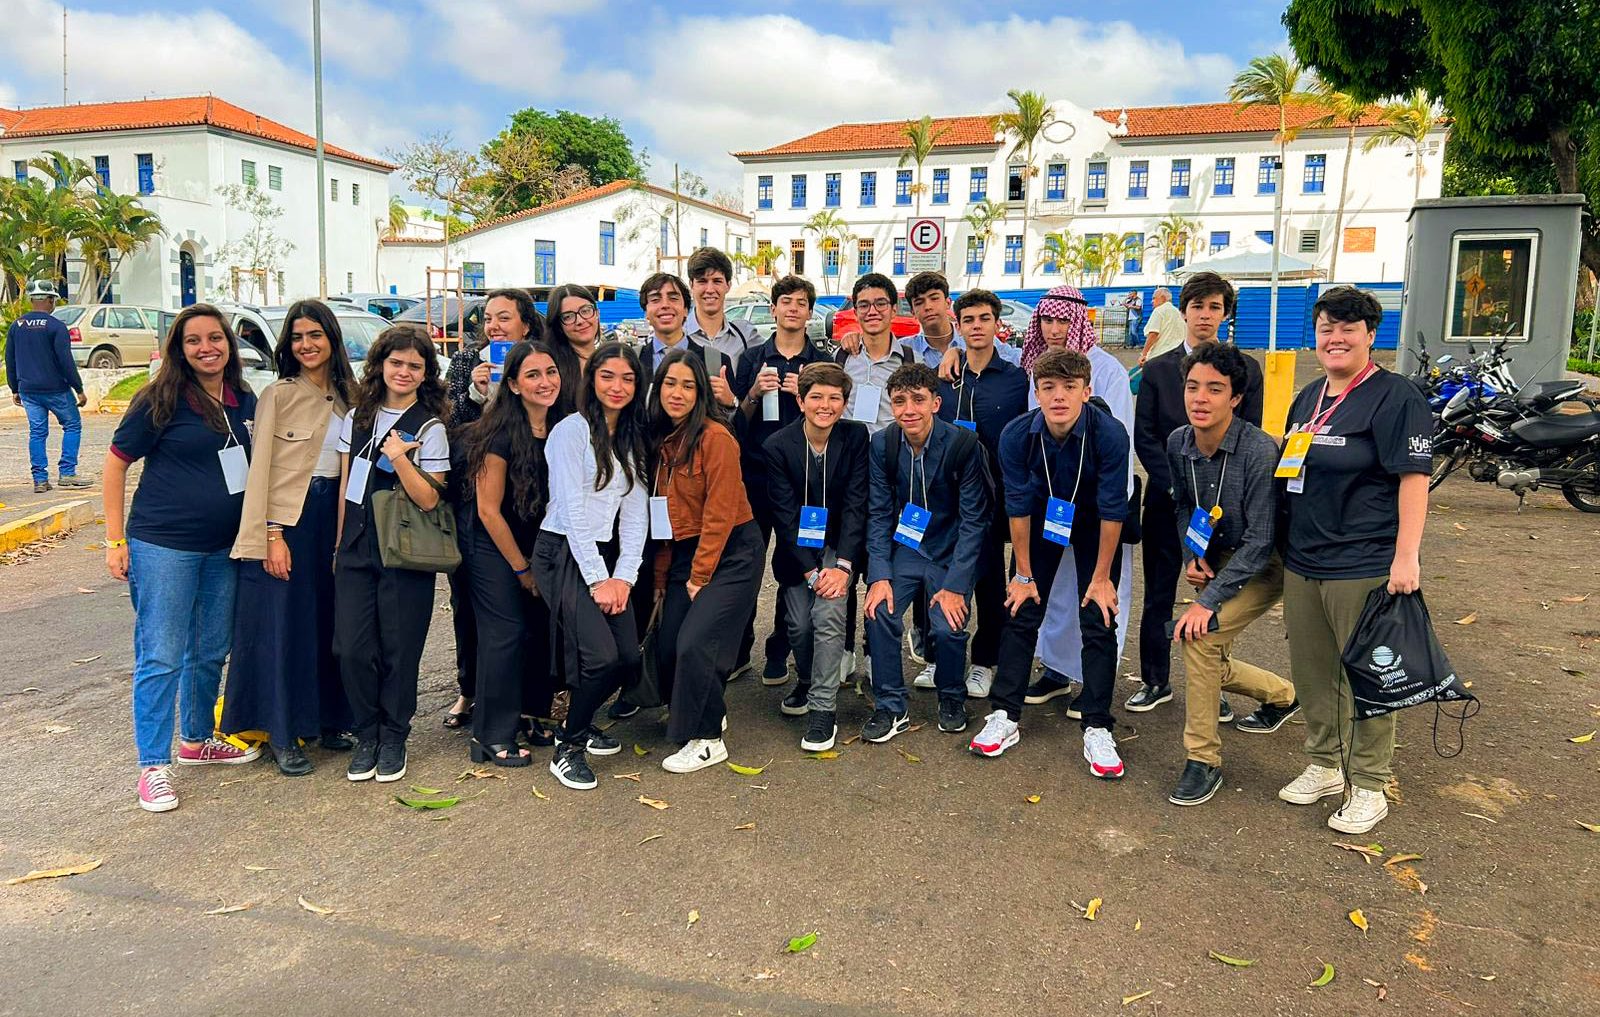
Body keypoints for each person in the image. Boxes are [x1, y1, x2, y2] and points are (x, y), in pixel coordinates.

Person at [1278, 286, 1432, 835]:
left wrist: (1406, 557)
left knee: (1369, 672)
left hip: (1364, 561)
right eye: (1326, 328)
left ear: (1370, 335)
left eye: (1348, 329)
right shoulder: (1308, 396)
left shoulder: (1395, 397)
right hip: (1304, 560)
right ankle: (1325, 763)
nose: (1335, 338)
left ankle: (1369, 783)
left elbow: (1413, 478)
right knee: (1314, 672)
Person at [102, 304, 261, 813]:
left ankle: (196, 740)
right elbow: (115, 464)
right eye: (194, 341)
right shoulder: (160, 399)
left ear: (229, 344)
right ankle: (153, 765)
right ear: (179, 348)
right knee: (162, 654)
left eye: (215, 338)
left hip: (223, 547)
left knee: (210, 648)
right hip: (163, 545)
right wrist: (114, 540)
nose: (206, 348)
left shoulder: (243, 399)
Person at [981, 350, 1129, 776]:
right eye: (1048, 388)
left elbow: (1113, 509)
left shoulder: (1110, 433)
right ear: (1037, 393)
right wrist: (1023, 574)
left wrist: (1102, 578)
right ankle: (1004, 714)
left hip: (1095, 520)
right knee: (1021, 607)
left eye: (1069, 387)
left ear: (1086, 390)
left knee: (1098, 614)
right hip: (1044, 517)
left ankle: (1098, 725)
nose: (1058, 397)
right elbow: (1017, 507)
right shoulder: (1017, 434)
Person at [225, 300, 357, 776]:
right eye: (298, 337)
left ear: (332, 340)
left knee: (327, 623)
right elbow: (262, 467)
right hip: (289, 522)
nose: (306, 345)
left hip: (333, 519)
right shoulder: (277, 395)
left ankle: (327, 720)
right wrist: (271, 534)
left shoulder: (350, 396)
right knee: (283, 628)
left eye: (315, 335)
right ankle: (282, 733)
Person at [1165, 341, 1299, 806]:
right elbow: (1183, 505)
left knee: (1199, 639)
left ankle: (1203, 759)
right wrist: (1192, 554)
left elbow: (1261, 540)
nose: (1200, 398)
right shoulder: (1178, 442)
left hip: (1264, 565)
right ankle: (1282, 695)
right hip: (1216, 555)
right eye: (1192, 387)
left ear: (1236, 398)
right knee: (1209, 656)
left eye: (1215, 389)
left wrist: (1206, 601)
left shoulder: (1259, 450)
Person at [1130, 272, 1263, 717]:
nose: (1205, 315)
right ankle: (1155, 679)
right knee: (1159, 592)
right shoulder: (1158, 369)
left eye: (1215, 307)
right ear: (1183, 311)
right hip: (1167, 500)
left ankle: (1213, 685)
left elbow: (1249, 436)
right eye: (1197, 306)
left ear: (1225, 314)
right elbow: (1146, 436)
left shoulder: (1246, 371)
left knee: (1216, 597)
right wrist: (1177, 486)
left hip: (1222, 508)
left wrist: (1216, 494)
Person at [335, 324, 452, 785]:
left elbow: (430, 499)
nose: (404, 372)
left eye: (415, 366)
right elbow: (347, 485)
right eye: (396, 362)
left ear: (426, 373)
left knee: (400, 649)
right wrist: (339, 544)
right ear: (380, 365)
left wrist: (401, 458)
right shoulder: (356, 417)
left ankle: (393, 736)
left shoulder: (430, 427)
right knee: (350, 648)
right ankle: (366, 732)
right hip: (356, 546)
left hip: (404, 551)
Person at [533, 342, 649, 791]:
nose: (618, 386)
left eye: (628, 379)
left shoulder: (631, 436)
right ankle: (569, 747)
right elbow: (572, 511)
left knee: (627, 658)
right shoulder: (571, 431)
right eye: (608, 376)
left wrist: (625, 577)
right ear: (591, 379)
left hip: (604, 555)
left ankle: (576, 723)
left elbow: (635, 514)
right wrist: (600, 579)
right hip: (562, 550)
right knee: (600, 659)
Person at [1015, 287, 1137, 714]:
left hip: (1098, 508)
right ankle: (1055, 671)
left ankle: (1093, 683)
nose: (1054, 329)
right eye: (1046, 320)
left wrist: (1111, 508)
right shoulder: (1035, 368)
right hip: (1052, 504)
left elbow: (1119, 441)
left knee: (1098, 592)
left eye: (1063, 321)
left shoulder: (1107, 371)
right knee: (1057, 592)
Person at [648, 349, 764, 772]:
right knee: (668, 643)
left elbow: (720, 511)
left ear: (701, 393)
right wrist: (662, 579)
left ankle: (708, 739)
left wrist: (700, 576)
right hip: (685, 552)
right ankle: (701, 707)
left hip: (731, 551)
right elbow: (663, 517)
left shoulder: (715, 437)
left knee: (698, 641)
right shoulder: (661, 440)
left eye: (688, 385)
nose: (677, 393)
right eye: (670, 384)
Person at [863, 363, 991, 741]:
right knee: (879, 611)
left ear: (936, 403)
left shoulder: (963, 445)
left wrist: (956, 585)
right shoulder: (883, 444)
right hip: (907, 546)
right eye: (899, 401)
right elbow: (878, 513)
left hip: (950, 548)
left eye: (918, 400)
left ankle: (951, 696)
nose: (909, 410)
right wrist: (879, 575)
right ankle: (891, 705)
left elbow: (974, 521)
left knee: (948, 624)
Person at [460, 340, 569, 767]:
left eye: (550, 372)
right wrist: (522, 569)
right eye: (533, 375)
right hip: (492, 544)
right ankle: (490, 734)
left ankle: (531, 713)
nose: (545, 382)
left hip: (537, 545)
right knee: (505, 634)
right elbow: (488, 511)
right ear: (514, 385)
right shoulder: (499, 433)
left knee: (539, 629)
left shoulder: (562, 426)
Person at [441, 291, 544, 731]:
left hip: (528, 502)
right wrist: (476, 392)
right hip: (476, 496)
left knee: (527, 612)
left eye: (504, 317)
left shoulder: (540, 362)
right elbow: (450, 426)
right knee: (469, 604)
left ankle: (529, 702)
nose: (494, 326)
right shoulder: (468, 361)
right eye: (487, 318)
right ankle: (469, 689)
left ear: (526, 324)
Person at [763, 362, 869, 750]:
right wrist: (811, 573)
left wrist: (843, 567)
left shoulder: (855, 436)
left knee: (828, 616)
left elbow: (857, 503)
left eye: (834, 398)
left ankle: (823, 709)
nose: (826, 406)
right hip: (799, 552)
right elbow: (784, 516)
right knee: (798, 625)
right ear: (801, 401)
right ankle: (808, 680)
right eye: (817, 397)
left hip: (839, 547)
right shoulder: (778, 446)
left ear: (844, 402)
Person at [731, 275, 828, 685]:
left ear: (809, 312)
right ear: (773, 309)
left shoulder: (821, 361)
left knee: (794, 566)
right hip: (755, 478)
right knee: (747, 565)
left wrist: (804, 397)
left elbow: (832, 418)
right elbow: (737, 424)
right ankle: (739, 649)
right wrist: (754, 392)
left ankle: (780, 648)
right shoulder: (753, 358)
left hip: (803, 482)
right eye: (786, 301)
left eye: (801, 302)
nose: (793, 308)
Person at [936, 289, 1029, 702]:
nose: (976, 326)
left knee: (989, 582)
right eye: (969, 320)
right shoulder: (944, 376)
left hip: (993, 497)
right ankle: (942, 656)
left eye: (984, 318)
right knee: (944, 574)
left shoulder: (1015, 379)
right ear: (958, 325)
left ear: (996, 324)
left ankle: (984, 660)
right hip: (947, 495)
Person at [834, 273, 914, 687]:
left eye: (880, 303)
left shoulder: (909, 359)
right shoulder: (843, 356)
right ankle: (844, 649)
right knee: (846, 556)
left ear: (893, 309)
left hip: (893, 472)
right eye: (863, 304)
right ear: (854, 310)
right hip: (848, 473)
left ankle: (874, 648)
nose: (872, 311)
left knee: (886, 562)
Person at [6, 279, 90, 493]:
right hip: (56, 389)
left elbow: (10, 359)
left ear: (31, 300)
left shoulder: (17, 326)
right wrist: (78, 389)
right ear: (51, 300)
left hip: (28, 390)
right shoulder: (56, 326)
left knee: (37, 432)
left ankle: (40, 480)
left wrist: (14, 388)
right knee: (72, 425)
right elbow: (66, 361)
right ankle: (67, 473)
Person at [685, 247, 761, 363]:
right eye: (702, 281)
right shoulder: (676, 334)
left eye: (717, 281)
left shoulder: (746, 335)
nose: (710, 290)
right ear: (691, 285)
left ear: (728, 285)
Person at [544, 282, 613, 406]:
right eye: (568, 317)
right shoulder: (551, 368)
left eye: (585, 311)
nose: (580, 321)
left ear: (597, 313)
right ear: (558, 325)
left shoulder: (612, 360)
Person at [1141, 287, 1186, 364]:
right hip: (1179, 355)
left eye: (1154, 298)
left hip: (1161, 355)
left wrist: (1144, 354)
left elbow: (1153, 333)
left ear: (1163, 298)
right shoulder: (1178, 313)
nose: (1151, 301)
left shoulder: (1159, 310)